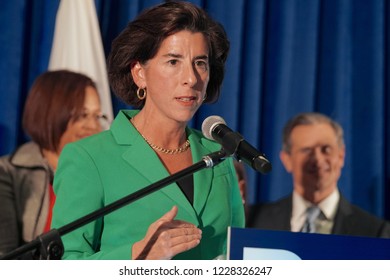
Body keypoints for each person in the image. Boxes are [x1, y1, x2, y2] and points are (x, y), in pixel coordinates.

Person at [51, 1, 245, 260]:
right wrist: (138, 255)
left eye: (200, 63)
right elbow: (62, 265)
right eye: (173, 61)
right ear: (139, 73)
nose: (191, 78)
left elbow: (237, 255)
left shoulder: (219, 156)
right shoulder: (88, 158)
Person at [0, 70, 106, 259]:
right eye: (82, 115)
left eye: (97, 116)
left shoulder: (104, 171)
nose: (94, 126)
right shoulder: (7, 172)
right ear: (50, 113)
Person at [247, 112, 390, 238]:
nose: (318, 159)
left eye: (326, 149)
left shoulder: (374, 232)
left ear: (341, 156)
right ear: (287, 159)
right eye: (307, 150)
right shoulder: (253, 221)